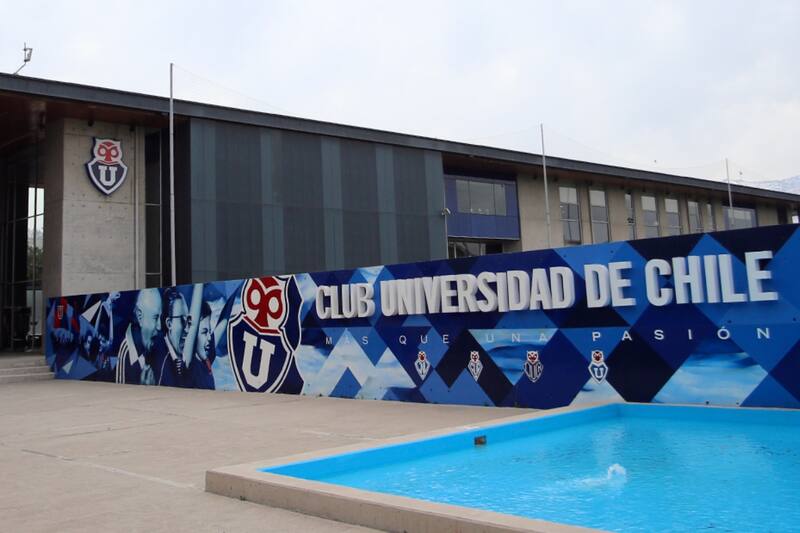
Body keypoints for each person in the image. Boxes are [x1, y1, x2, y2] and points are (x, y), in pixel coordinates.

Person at [116, 288, 162, 385]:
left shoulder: (155, 345)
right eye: (155, 317)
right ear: (139, 316)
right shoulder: (124, 353)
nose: (160, 326)